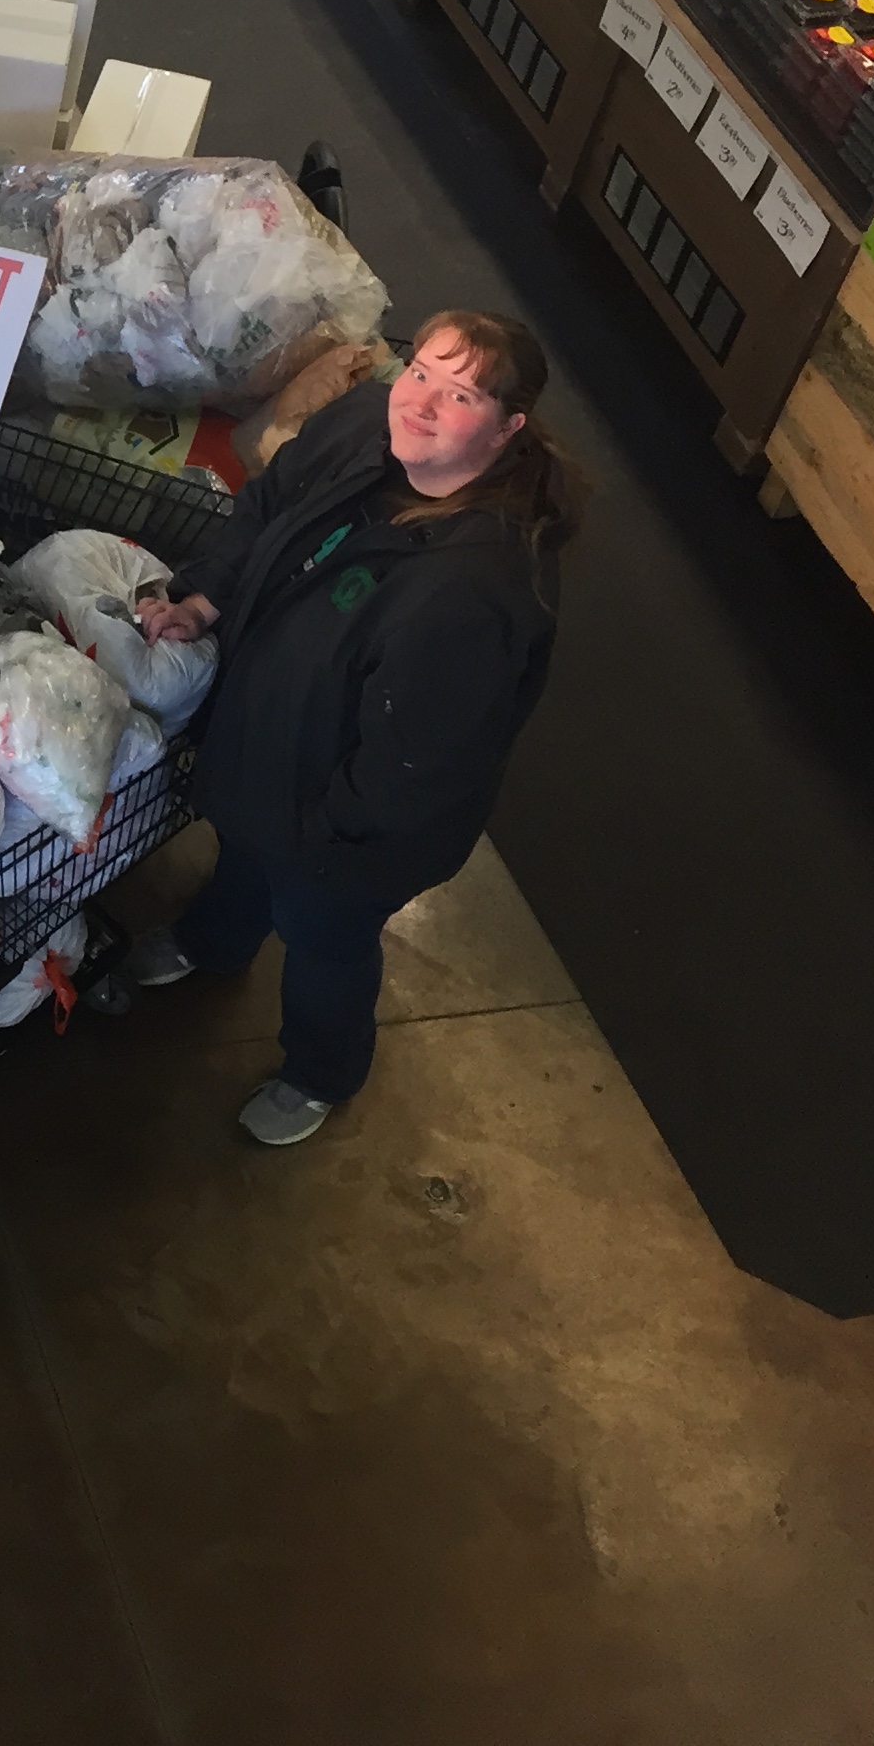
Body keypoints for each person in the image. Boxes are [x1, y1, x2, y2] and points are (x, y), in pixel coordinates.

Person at [127, 312, 581, 1149]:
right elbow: (266, 503)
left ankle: (320, 1070)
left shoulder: (472, 593)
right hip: (272, 758)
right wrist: (205, 596)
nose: (422, 404)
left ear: (509, 428)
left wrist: (325, 836)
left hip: (351, 830)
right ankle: (213, 940)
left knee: (323, 938)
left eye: (462, 395)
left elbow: (414, 767)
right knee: (243, 852)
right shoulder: (366, 425)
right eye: (420, 373)